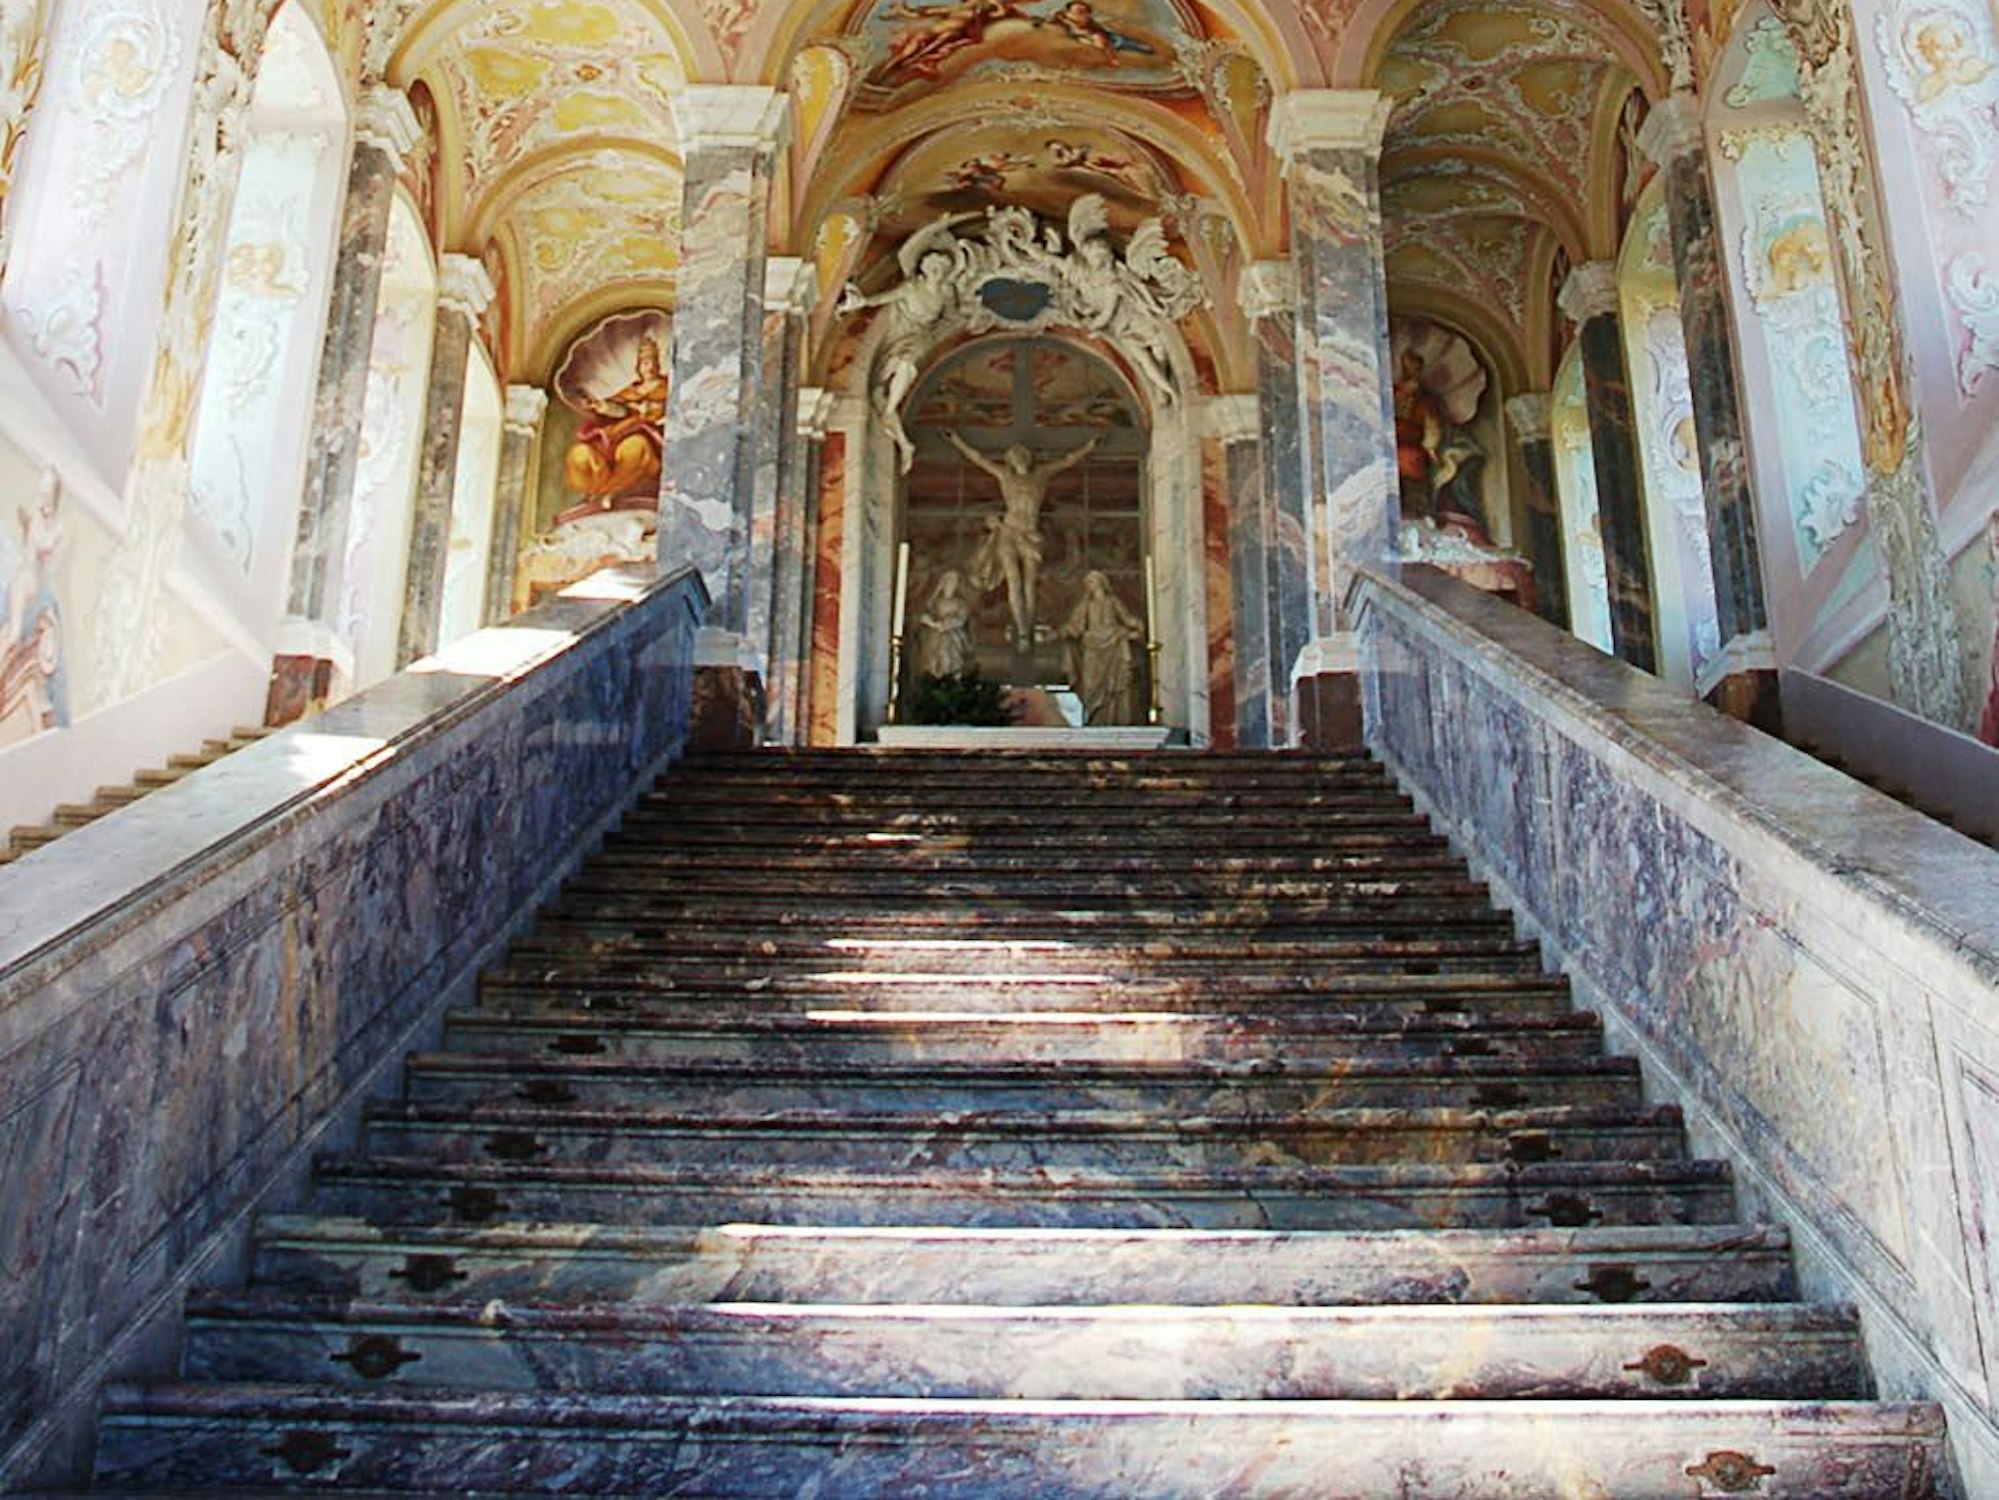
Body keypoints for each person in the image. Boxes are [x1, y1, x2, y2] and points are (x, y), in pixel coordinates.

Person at [945, 428, 1100, 647]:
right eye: (1016, 455)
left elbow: (1067, 461)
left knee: (1029, 583)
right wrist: (958, 442)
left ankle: (1027, 626)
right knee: (1014, 582)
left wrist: (1088, 448)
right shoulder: (1005, 476)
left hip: (1031, 534)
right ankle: (1023, 633)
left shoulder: (1041, 474)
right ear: (1010, 459)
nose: (1021, 458)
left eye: (1024, 455)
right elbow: (979, 459)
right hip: (1009, 531)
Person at [562, 336, 669, 508]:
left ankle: (608, 491)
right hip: (614, 435)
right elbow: (619, 410)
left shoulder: (668, 388)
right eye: (644, 362)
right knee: (580, 453)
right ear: (638, 367)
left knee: (635, 447)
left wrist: (653, 411)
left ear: (658, 364)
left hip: (649, 436)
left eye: (652, 361)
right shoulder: (630, 390)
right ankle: (595, 491)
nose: (649, 367)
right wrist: (601, 406)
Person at [1062, 569, 1143, 724]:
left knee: (1114, 686)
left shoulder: (1112, 602)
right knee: (1091, 686)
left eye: (1092, 582)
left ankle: (1112, 719)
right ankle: (1095, 720)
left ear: (1101, 583)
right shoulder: (1085, 604)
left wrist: (1137, 625)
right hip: (1092, 648)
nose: (1089, 586)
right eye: (1087, 583)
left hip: (1113, 646)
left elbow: (1126, 618)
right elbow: (1076, 626)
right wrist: (1065, 631)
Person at [913, 568, 975, 679]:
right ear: (944, 583)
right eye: (950, 581)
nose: (953, 584)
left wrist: (940, 625)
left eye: (955, 582)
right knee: (932, 661)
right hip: (933, 639)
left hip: (953, 639)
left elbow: (960, 619)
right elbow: (925, 615)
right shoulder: (934, 602)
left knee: (950, 661)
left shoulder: (960, 603)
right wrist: (927, 620)